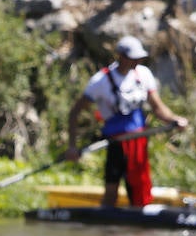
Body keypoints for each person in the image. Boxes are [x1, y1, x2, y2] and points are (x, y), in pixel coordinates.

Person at [65, 36, 189, 208]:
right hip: (116, 142)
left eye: (139, 57)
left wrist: (174, 119)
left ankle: (138, 223)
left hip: (138, 140)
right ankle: (107, 220)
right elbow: (75, 113)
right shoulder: (100, 81)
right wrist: (72, 146)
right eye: (133, 57)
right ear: (121, 56)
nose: (137, 61)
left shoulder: (143, 74)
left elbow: (158, 107)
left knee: (139, 190)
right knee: (111, 189)